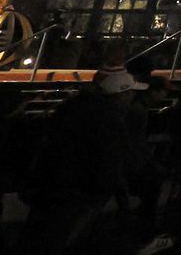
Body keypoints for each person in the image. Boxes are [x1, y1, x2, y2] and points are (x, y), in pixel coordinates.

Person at [21, 68, 153, 255]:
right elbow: (109, 159)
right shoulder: (111, 119)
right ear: (122, 94)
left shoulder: (74, 107)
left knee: (39, 235)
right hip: (80, 189)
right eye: (130, 92)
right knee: (60, 237)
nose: (132, 97)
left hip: (53, 182)